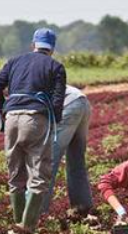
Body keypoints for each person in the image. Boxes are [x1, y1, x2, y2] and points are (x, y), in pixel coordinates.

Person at [0, 28, 67, 233]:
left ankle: (17, 225)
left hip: (12, 119)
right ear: (51, 49)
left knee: (15, 173)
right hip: (35, 119)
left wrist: (3, 107)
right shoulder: (56, 66)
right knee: (39, 174)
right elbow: (58, 101)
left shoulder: (14, 61)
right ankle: (27, 227)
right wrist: (54, 121)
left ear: (33, 44)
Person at [40, 84, 93, 215]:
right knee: (76, 159)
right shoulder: (28, 79)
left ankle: (37, 213)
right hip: (81, 101)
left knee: (48, 161)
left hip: (67, 105)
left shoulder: (17, 96)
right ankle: (82, 207)